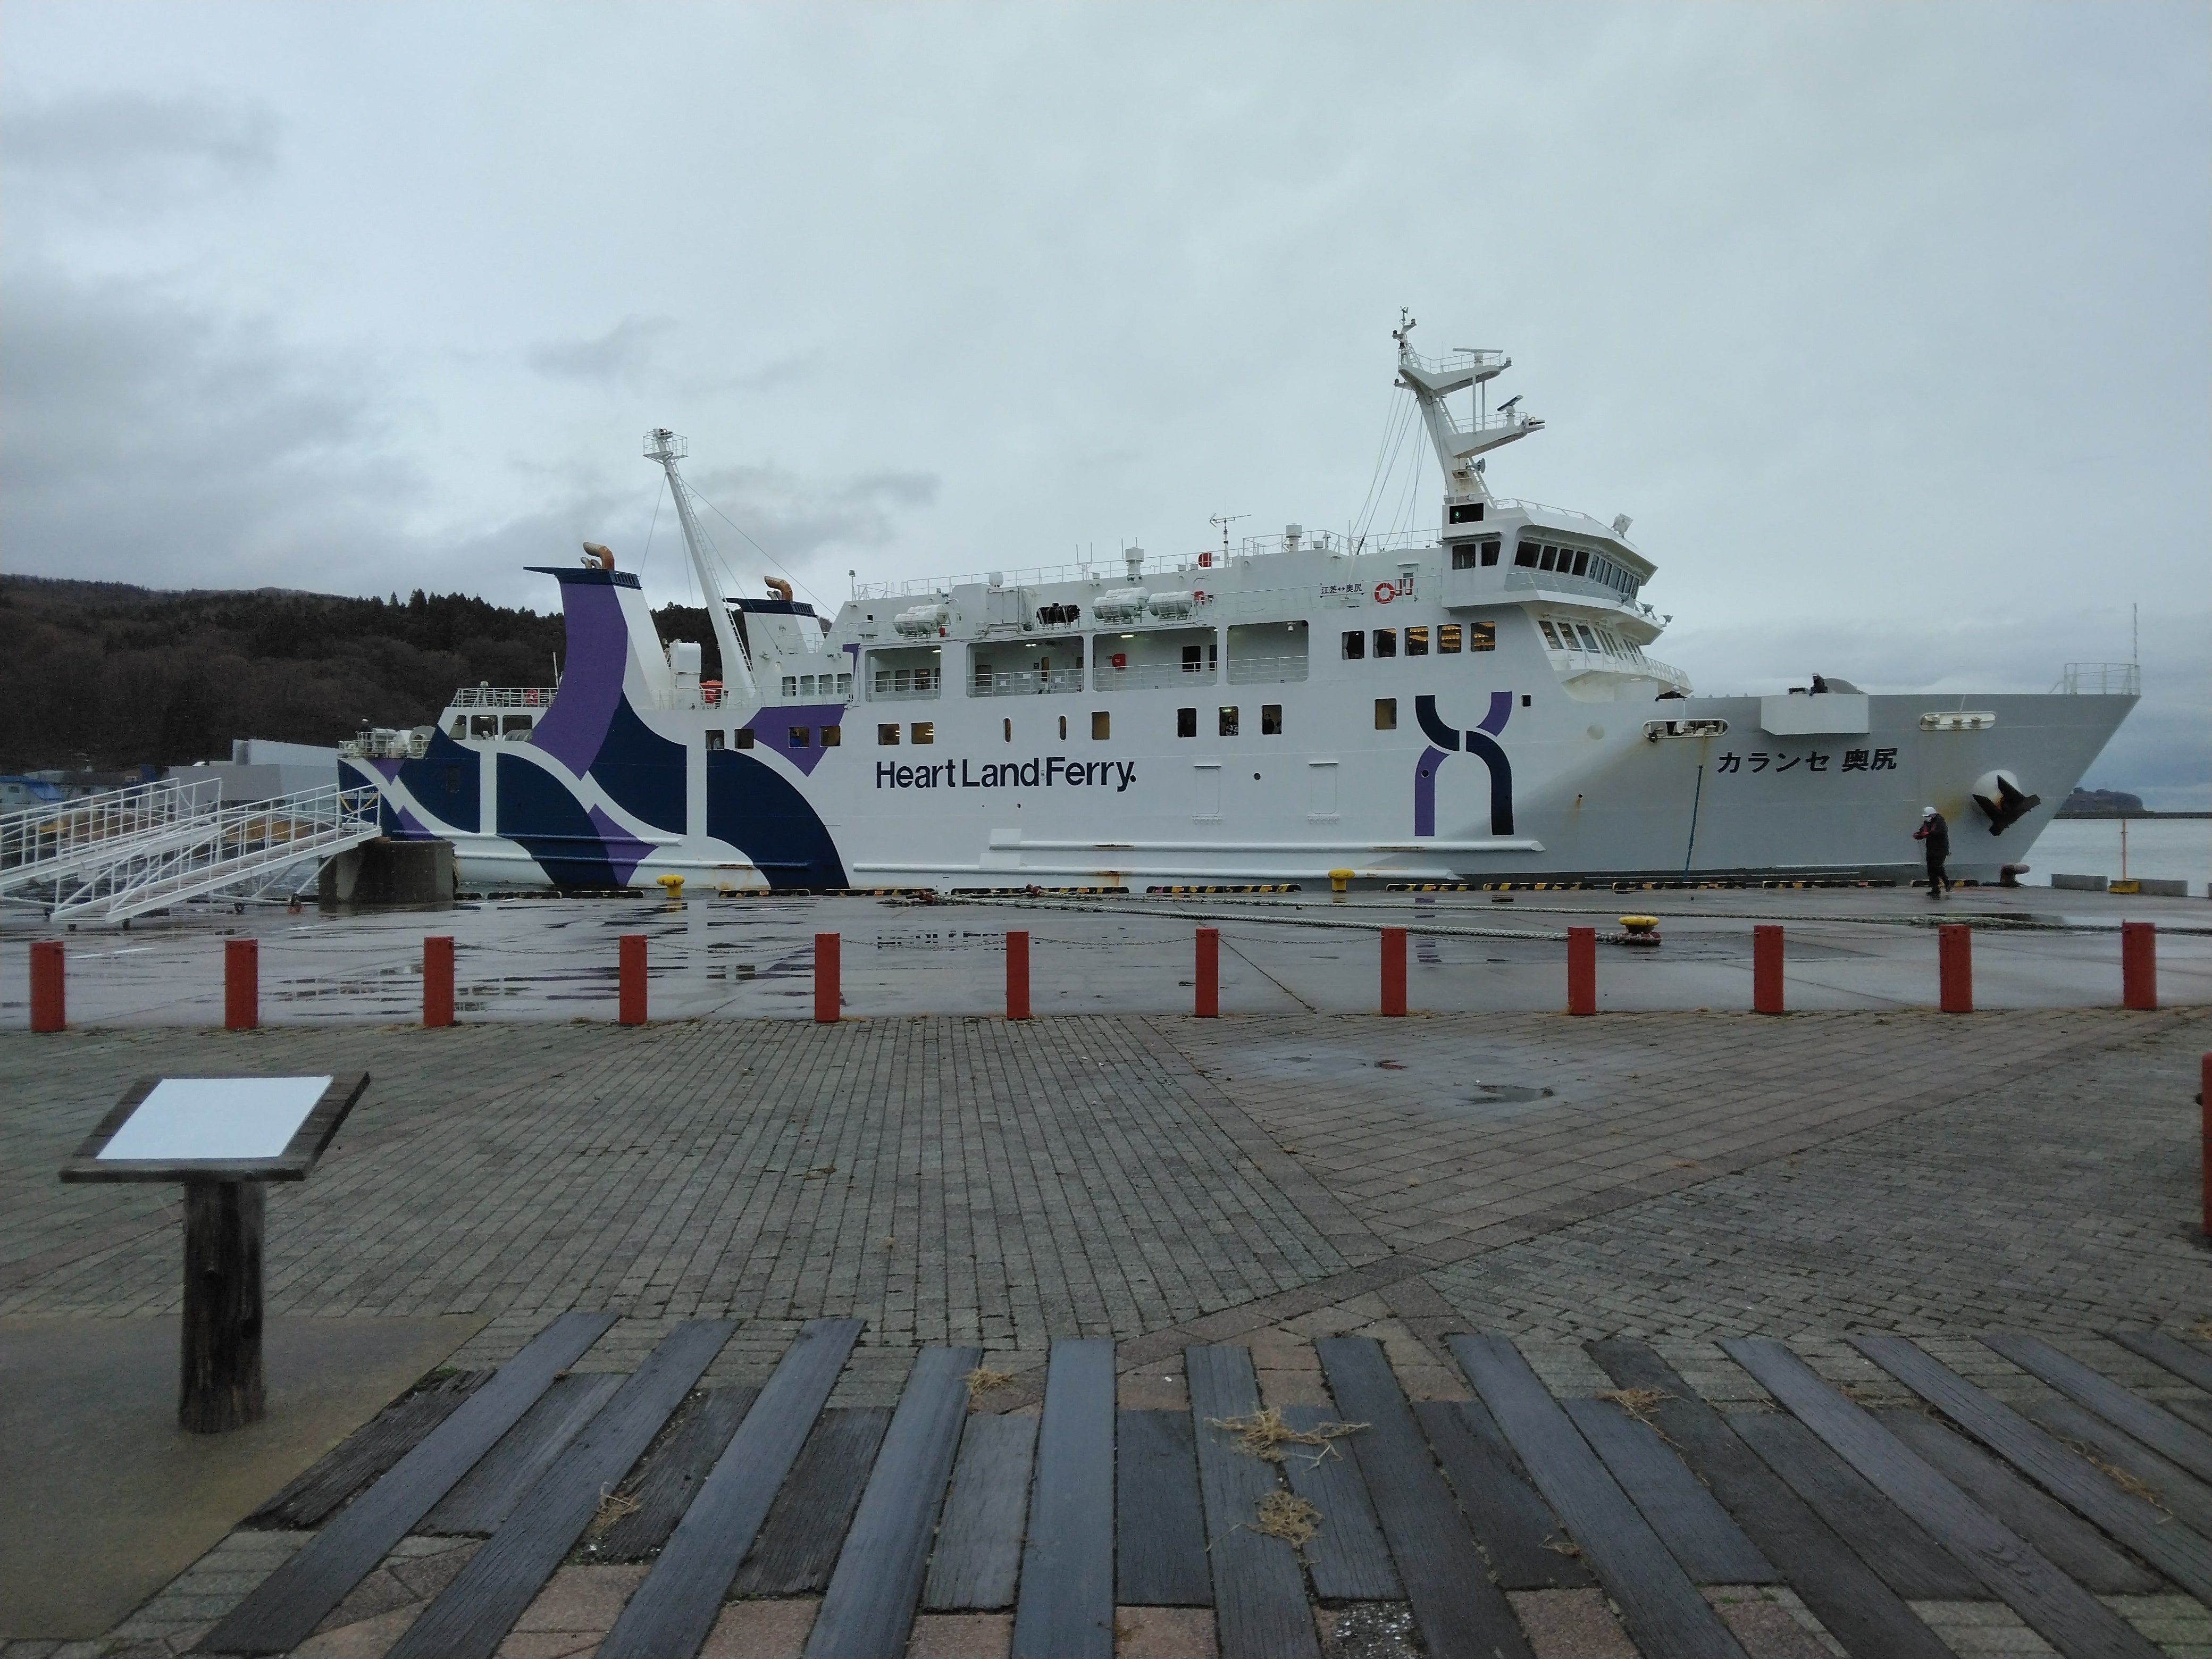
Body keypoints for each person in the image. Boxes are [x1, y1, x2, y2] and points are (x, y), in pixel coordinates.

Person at [1913, 806, 1950, 898]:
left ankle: (1947, 883)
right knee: (1931, 869)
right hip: (1931, 849)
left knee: (1938, 866)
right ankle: (1935, 889)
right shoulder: (1927, 824)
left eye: (1928, 816)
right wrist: (1918, 835)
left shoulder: (1940, 822)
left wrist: (1929, 833)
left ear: (1933, 815)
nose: (1927, 818)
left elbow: (1939, 832)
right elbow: (1922, 832)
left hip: (1941, 849)